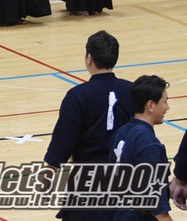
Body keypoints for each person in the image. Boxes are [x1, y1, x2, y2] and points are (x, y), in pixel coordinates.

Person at [44, 30, 133, 221]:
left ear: (89, 58)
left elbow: (64, 139)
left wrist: (49, 172)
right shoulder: (131, 90)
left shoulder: (78, 95)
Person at [109, 75, 172, 221]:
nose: (167, 107)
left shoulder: (120, 133)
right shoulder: (149, 144)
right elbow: (159, 210)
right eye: (164, 101)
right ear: (150, 105)